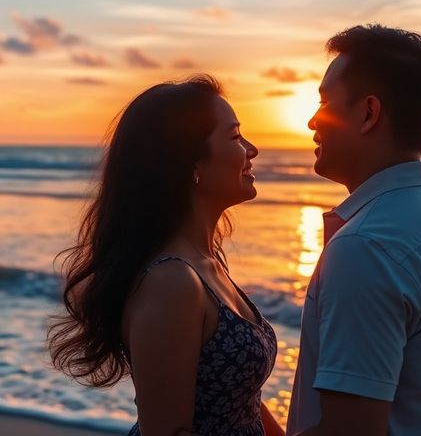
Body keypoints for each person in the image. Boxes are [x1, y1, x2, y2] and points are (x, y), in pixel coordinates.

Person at [48, 75, 284, 436]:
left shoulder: (205, 264)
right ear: (192, 163)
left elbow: (241, 396)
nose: (251, 149)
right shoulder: (170, 281)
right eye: (235, 137)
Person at [287, 25, 421, 435]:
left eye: (324, 102)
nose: (311, 121)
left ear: (369, 113)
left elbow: (349, 430)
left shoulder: (367, 245)